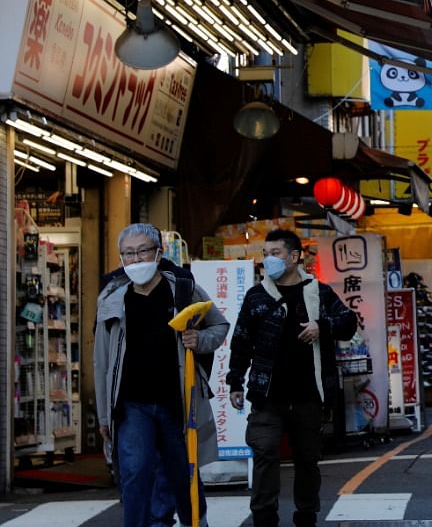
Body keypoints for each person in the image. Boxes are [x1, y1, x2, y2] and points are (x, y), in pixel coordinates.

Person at [94, 223, 230, 527]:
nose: (136, 259)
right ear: (121, 258)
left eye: (143, 250)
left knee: (183, 472)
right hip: (131, 404)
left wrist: (200, 340)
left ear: (159, 252)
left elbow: (219, 326)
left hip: (177, 400)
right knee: (135, 471)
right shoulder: (112, 298)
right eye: (128, 253)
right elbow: (101, 362)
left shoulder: (182, 289)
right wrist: (104, 416)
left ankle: (195, 521)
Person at [227, 229, 358, 527]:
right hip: (266, 394)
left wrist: (320, 328)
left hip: (309, 394)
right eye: (265, 253)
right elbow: (241, 340)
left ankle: (306, 516)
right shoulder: (256, 296)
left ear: (294, 256)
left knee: (307, 459)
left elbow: (348, 322)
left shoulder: (318, 291)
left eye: (275, 253)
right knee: (265, 452)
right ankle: (264, 517)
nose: (268, 259)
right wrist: (235, 380)